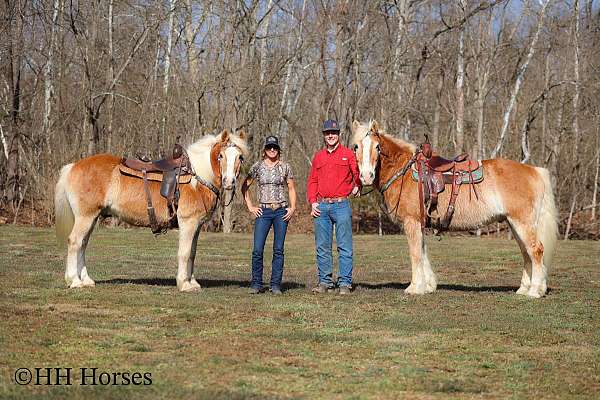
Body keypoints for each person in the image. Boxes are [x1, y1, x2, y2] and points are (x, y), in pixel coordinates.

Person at [307, 119, 360, 295]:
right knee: (322, 246)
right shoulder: (318, 156)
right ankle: (325, 282)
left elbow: (357, 173)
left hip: (341, 205)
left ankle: (344, 283)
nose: (331, 135)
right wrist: (313, 201)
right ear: (324, 135)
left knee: (344, 246)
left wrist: (357, 185)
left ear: (338, 135)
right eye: (328, 133)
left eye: (334, 133)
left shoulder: (348, 154)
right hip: (321, 206)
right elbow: (313, 180)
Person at [242, 135, 297, 295]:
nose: (272, 150)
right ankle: (256, 284)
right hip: (263, 211)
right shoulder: (257, 167)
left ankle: (275, 285)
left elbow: (291, 188)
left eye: (274, 147)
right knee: (257, 249)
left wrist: (292, 208)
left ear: (278, 150)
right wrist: (251, 206)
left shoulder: (285, 167)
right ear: (264, 150)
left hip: (281, 211)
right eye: (269, 147)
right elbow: (244, 187)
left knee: (278, 249)